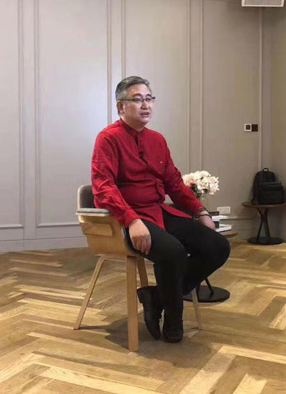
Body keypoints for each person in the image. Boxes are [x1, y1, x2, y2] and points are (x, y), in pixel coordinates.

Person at [91, 76, 230, 343]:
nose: (146, 105)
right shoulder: (107, 139)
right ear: (121, 107)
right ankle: (174, 320)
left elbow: (174, 184)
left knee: (217, 246)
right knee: (172, 252)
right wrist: (131, 220)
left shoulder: (157, 140)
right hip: (127, 217)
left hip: (158, 211)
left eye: (149, 99)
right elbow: (103, 187)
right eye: (137, 99)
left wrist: (200, 211)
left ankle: (157, 297)